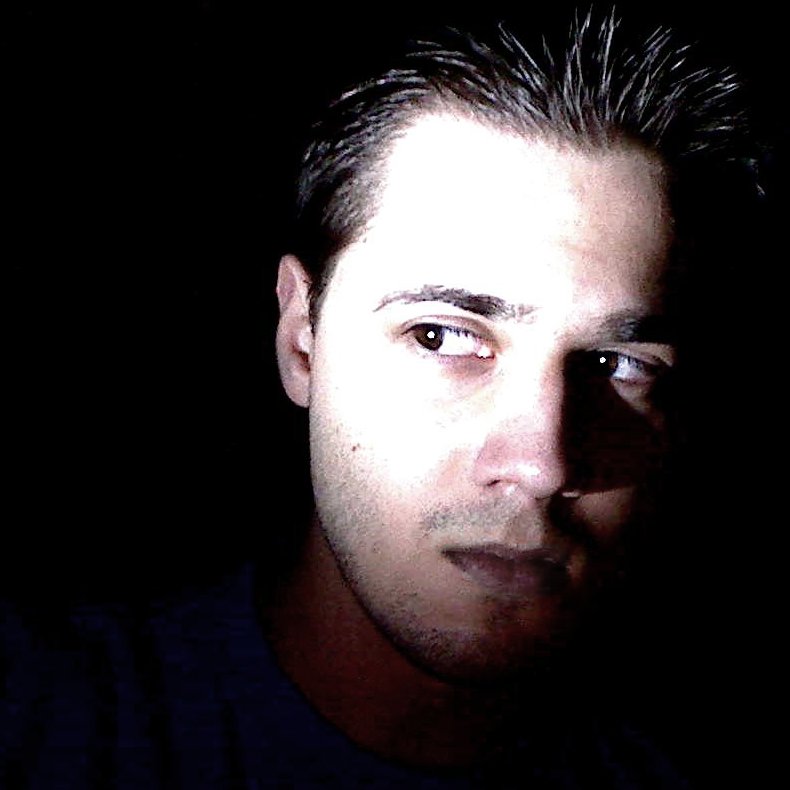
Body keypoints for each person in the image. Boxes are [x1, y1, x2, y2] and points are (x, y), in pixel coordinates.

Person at [1, 8, 760, 788]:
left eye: (614, 363)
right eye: (441, 336)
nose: (540, 464)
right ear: (302, 340)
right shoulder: (37, 721)